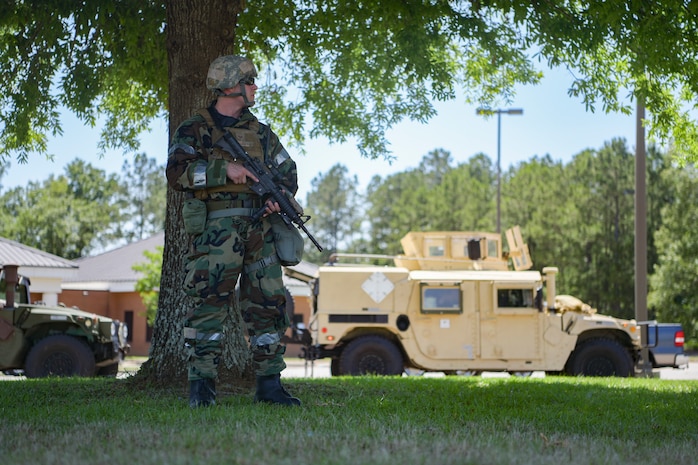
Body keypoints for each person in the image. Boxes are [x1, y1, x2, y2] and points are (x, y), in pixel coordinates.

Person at [166, 55, 301, 408]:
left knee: (268, 305)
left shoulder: (261, 133)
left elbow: (288, 176)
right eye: (251, 81)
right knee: (208, 306)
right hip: (216, 231)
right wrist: (224, 170)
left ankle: (269, 386)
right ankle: (202, 389)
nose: (256, 87)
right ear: (231, 85)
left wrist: (277, 199)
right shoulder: (194, 129)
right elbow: (177, 173)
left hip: (259, 229)